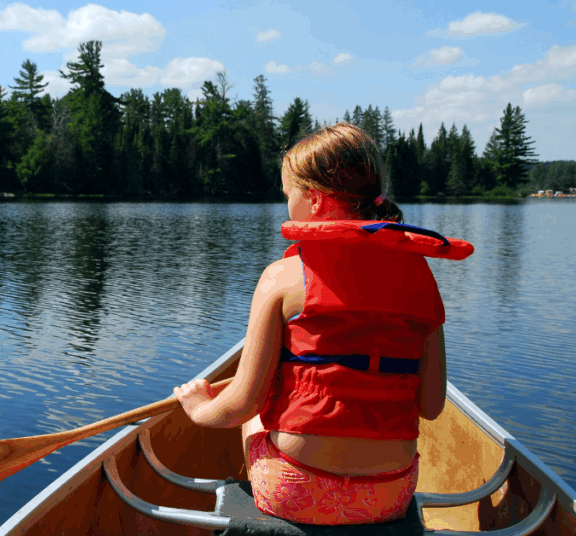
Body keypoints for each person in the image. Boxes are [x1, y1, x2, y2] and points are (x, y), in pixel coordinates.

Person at [174, 123, 474, 525]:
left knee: (255, 412)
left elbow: (240, 406)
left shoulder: (281, 276)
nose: (286, 205)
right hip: (390, 494)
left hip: (299, 490)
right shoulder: (422, 277)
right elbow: (431, 405)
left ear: (314, 200)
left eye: (288, 195)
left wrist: (197, 408)